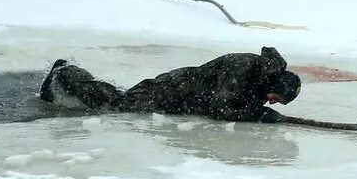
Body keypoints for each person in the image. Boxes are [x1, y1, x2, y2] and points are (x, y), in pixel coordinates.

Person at [39, 46, 301, 123]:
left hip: (183, 98)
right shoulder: (243, 67)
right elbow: (220, 107)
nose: (270, 101)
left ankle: (72, 75)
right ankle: (66, 73)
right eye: (275, 98)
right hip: (171, 90)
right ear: (273, 85)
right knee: (116, 103)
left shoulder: (258, 78)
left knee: (118, 98)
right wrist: (257, 114)